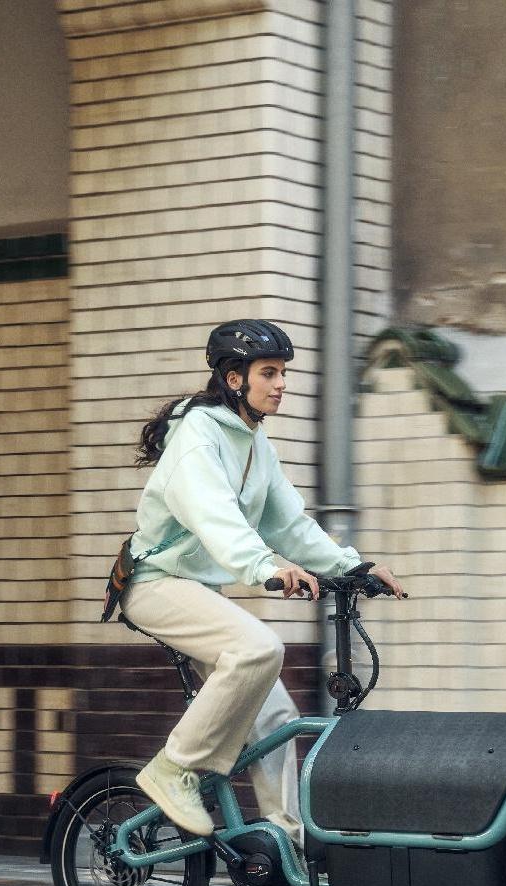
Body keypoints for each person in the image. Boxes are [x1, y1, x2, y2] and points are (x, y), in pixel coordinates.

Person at [119, 319, 406, 844]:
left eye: (282, 373)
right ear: (234, 379)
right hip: (155, 583)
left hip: (197, 590)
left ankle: (286, 839)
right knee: (258, 646)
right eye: (268, 372)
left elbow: (288, 523)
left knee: (276, 716)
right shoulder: (198, 435)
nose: (281, 384)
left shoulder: (253, 440)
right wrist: (265, 568)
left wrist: (353, 567)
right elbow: (214, 516)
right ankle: (174, 768)